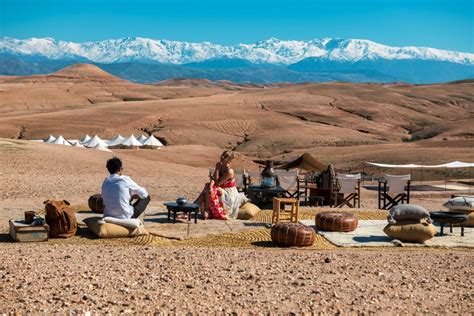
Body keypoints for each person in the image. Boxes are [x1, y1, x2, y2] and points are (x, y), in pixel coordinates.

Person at [195, 150, 248, 220]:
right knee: (208, 188)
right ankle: (193, 208)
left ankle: (197, 208)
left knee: (208, 190)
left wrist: (217, 169)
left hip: (229, 194)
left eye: (225, 156)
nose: (222, 157)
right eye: (222, 155)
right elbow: (213, 179)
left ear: (229, 160)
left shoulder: (229, 171)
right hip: (220, 190)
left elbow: (217, 183)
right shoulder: (220, 166)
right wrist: (210, 186)